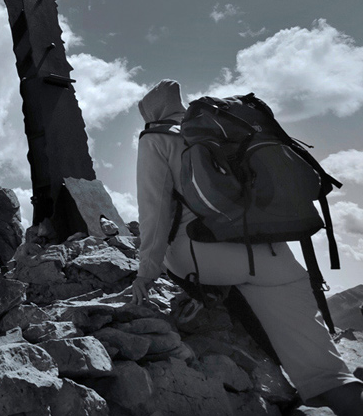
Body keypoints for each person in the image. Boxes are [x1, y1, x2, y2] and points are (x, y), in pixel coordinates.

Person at [131, 79, 363, 414]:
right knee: (331, 376)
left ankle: (208, 297)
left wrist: (145, 274)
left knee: (170, 253)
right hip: (275, 255)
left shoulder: (156, 137)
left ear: (149, 111)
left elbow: (154, 213)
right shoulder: (223, 129)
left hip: (201, 257)